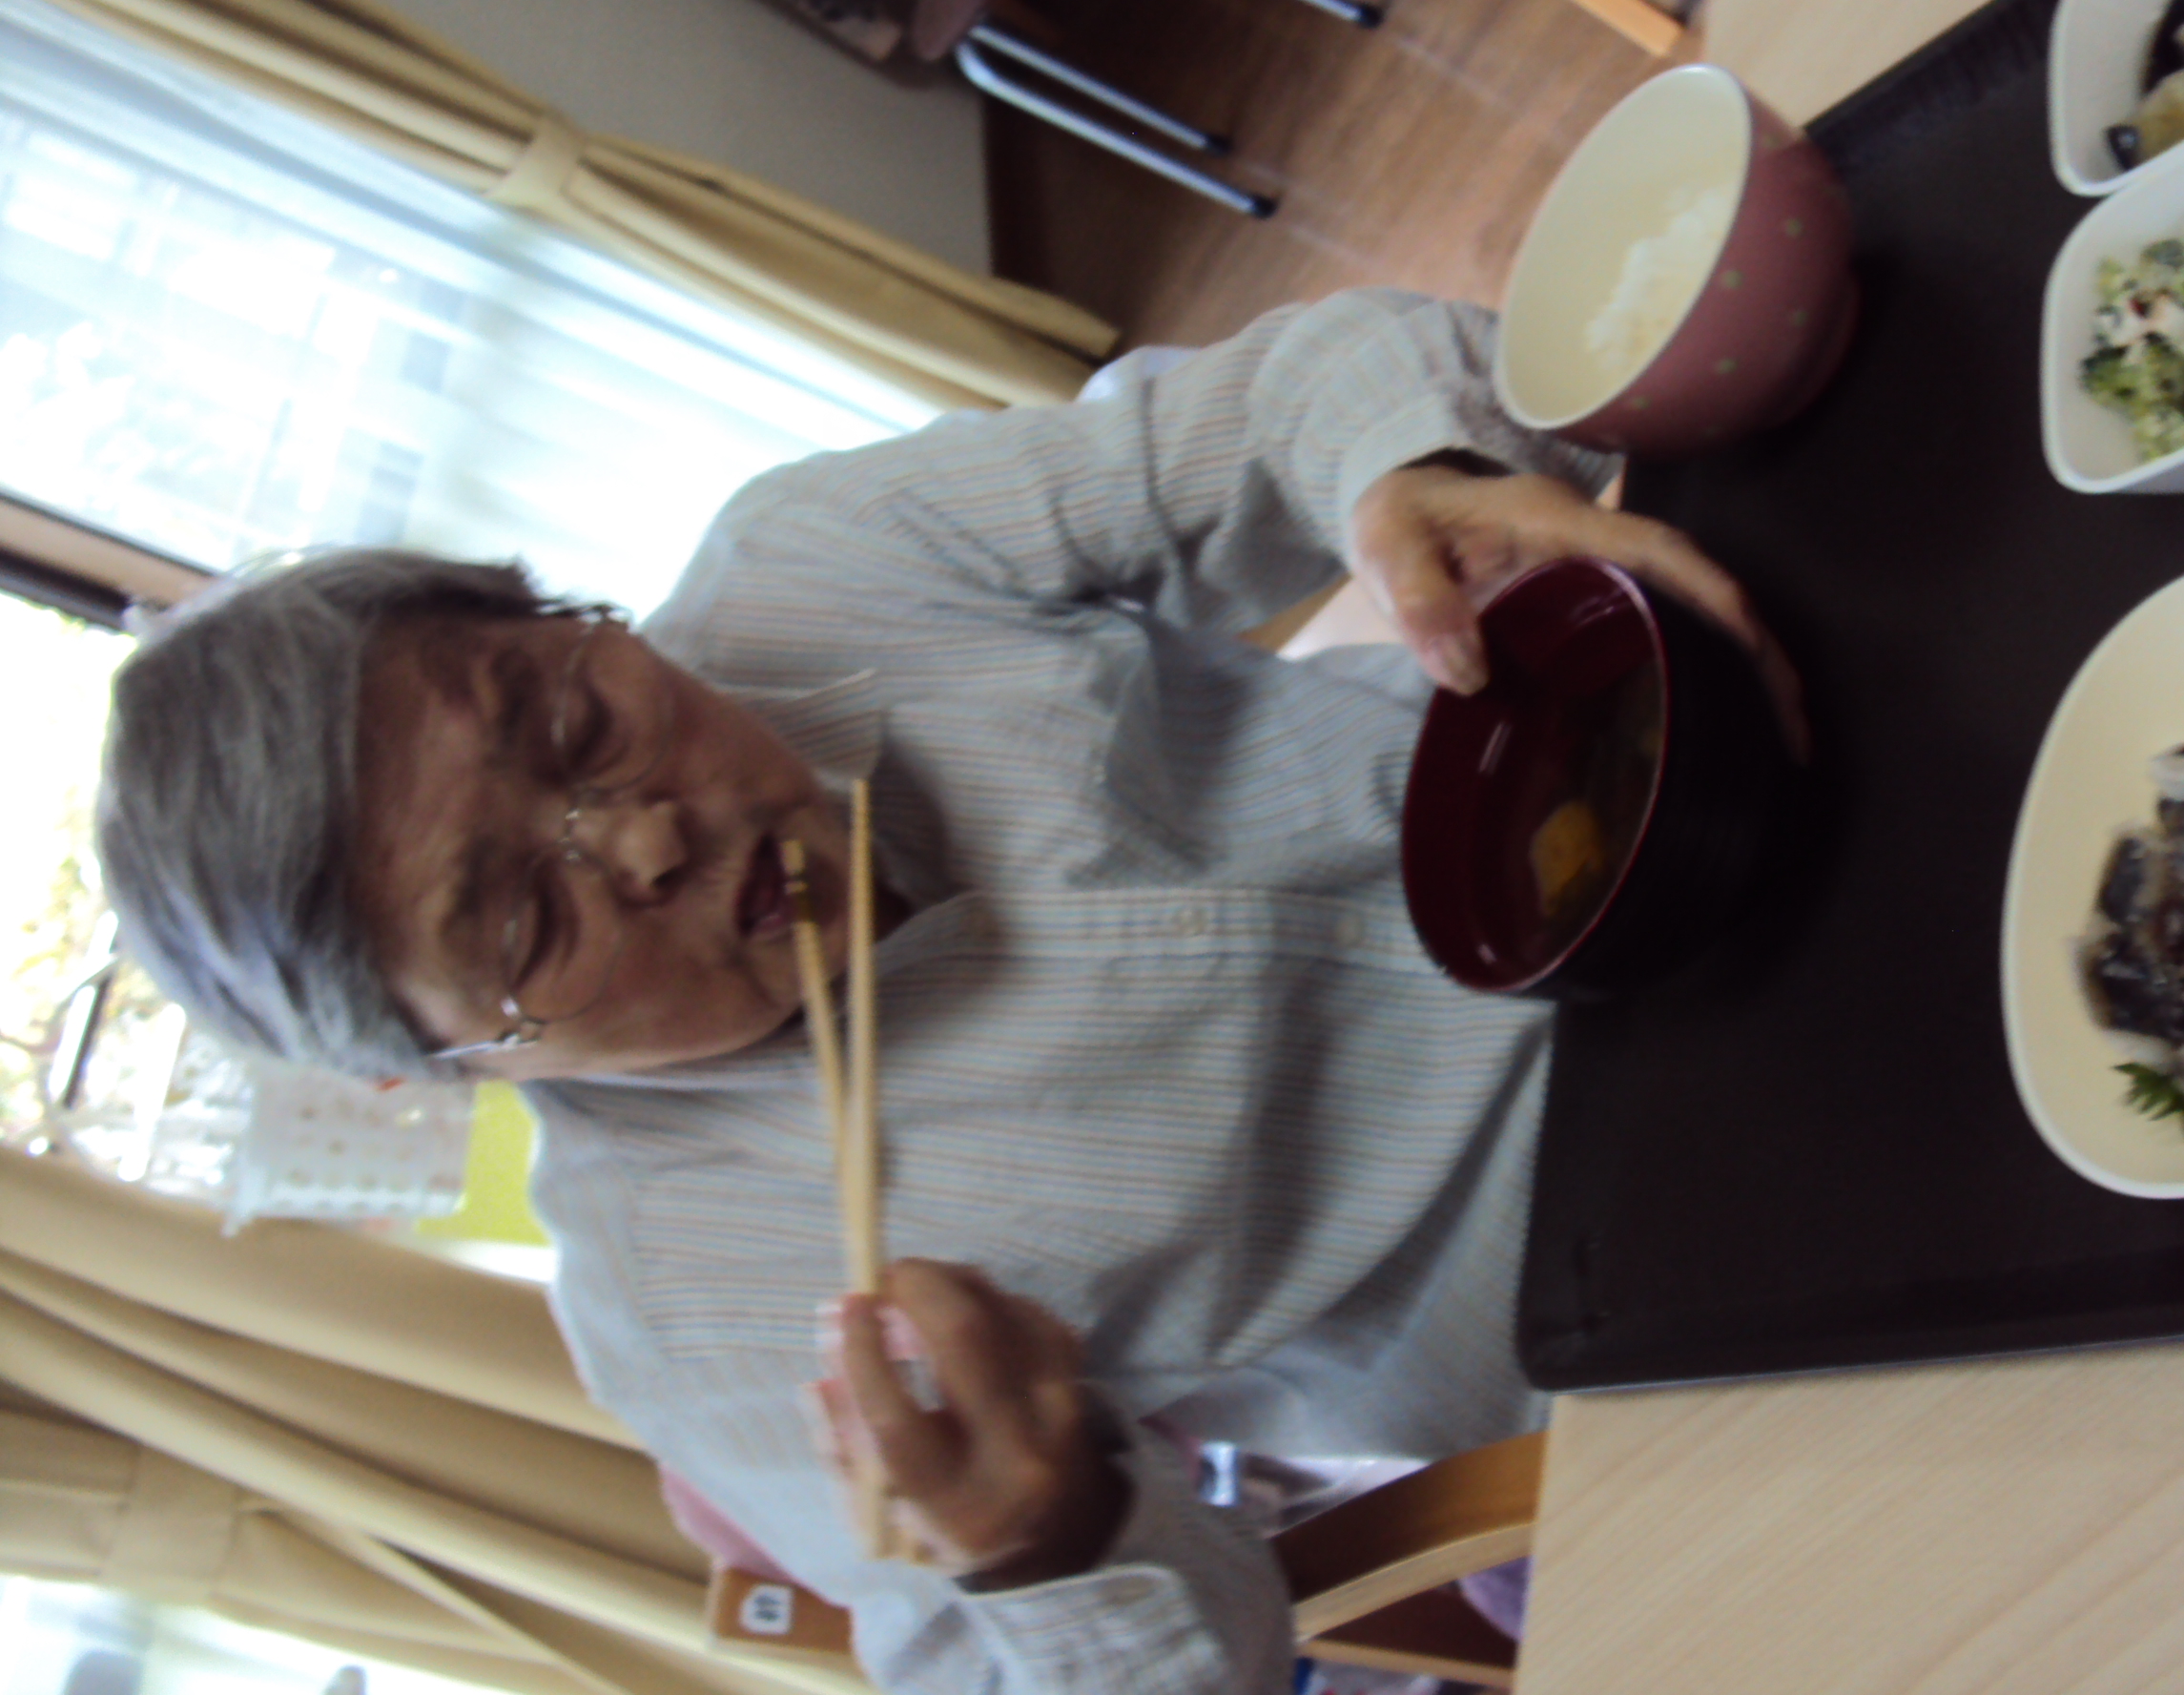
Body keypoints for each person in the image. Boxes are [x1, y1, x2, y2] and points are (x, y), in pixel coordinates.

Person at [96, 289, 1789, 1694]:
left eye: (574, 721)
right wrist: (1052, 1540)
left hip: (1657, 780)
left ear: (565, 617)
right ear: (447, 1067)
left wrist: (1409, 472)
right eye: (525, 920)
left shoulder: (807, 569)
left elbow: (1279, 399)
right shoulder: (694, 1313)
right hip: (1630, 1269)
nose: (647, 838)